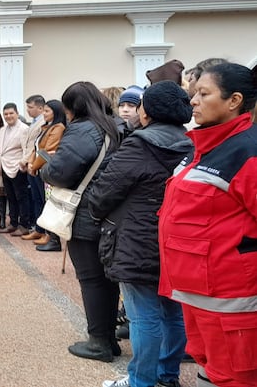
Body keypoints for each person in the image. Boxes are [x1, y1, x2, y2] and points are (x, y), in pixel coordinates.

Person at [158, 62, 257, 387]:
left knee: (233, 376)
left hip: (232, 298)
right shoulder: (203, 148)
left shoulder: (247, 152)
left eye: (203, 93)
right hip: (197, 292)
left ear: (234, 101)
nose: (193, 101)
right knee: (209, 368)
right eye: (193, 93)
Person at [89, 81, 193, 387]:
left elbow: (107, 189)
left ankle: (141, 381)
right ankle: (166, 375)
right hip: (176, 238)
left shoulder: (141, 143)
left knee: (144, 314)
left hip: (137, 239)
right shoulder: (193, 143)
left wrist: (96, 214)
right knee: (173, 311)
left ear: (148, 111)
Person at [39, 81, 121, 363]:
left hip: (86, 212)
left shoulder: (84, 130)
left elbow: (61, 171)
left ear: (73, 107)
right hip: (110, 211)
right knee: (107, 280)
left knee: (91, 278)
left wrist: (46, 168)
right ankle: (109, 339)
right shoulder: (115, 125)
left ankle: (98, 342)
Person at [28, 99, 67, 251]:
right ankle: (45, 233)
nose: (43, 114)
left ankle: (53, 238)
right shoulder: (46, 127)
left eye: (46, 111)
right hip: (38, 168)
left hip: (47, 169)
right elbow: (36, 148)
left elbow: (48, 150)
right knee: (40, 201)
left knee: (48, 203)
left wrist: (34, 166)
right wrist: (31, 163)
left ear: (56, 112)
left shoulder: (58, 127)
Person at [0, 103, 31, 236]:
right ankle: (13, 223)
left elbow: (27, 149)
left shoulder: (24, 129)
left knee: (21, 196)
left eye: (11, 113)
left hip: (18, 167)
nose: (8, 116)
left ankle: (24, 225)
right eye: (6, 114)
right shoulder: (2, 130)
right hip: (4, 166)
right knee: (10, 196)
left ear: (17, 113)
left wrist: (23, 163)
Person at [19, 95, 47, 241]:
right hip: (31, 163)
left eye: (31, 107)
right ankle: (38, 228)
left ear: (40, 108)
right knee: (35, 198)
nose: (28, 111)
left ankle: (44, 230)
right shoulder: (34, 122)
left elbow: (36, 147)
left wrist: (27, 162)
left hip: (38, 163)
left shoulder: (43, 122)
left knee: (41, 199)